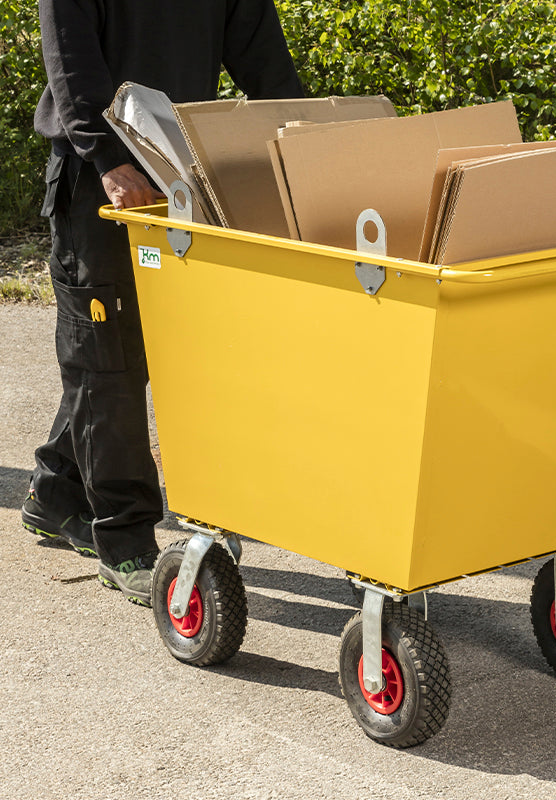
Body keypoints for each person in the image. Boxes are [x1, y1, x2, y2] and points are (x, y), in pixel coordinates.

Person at [22, 0, 303, 606]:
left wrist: (305, 141)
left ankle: (57, 490)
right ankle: (123, 538)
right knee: (107, 359)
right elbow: (71, 67)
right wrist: (110, 160)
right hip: (98, 179)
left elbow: (263, 60)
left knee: (139, 349)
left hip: (178, 174)